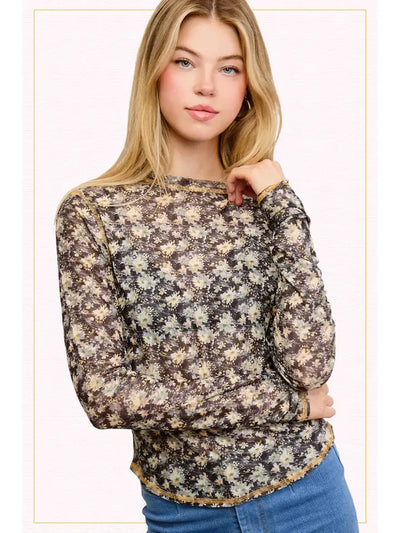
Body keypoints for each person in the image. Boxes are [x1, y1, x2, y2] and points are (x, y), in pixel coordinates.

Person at [54, 0, 359, 531]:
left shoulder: (266, 202)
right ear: (154, 71)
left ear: (249, 87)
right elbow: (105, 398)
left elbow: (310, 368)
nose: (207, 87)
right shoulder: (93, 212)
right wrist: (285, 405)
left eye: (230, 68)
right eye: (185, 61)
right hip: (184, 513)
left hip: (311, 495)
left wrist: (285, 208)